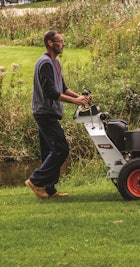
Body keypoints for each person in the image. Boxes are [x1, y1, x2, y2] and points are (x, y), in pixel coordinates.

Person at [25, 30, 91, 198]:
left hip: (49, 112)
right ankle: (36, 180)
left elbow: (62, 88)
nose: (63, 44)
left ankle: (49, 189)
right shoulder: (45, 63)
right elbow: (51, 93)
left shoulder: (55, 63)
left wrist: (80, 97)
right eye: (60, 41)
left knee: (49, 151)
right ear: (50, 43)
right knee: (61, 148)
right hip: (44, 112)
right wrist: (75, 102)